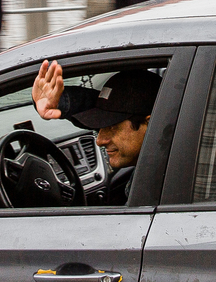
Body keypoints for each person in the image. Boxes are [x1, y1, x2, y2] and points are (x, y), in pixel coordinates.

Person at [31, 62, 160, 205]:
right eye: (99, 128)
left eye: (112, 127)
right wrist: (59, 101)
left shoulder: (163, 188)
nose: (99, 140)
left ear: (150, 123)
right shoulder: (166, 161)